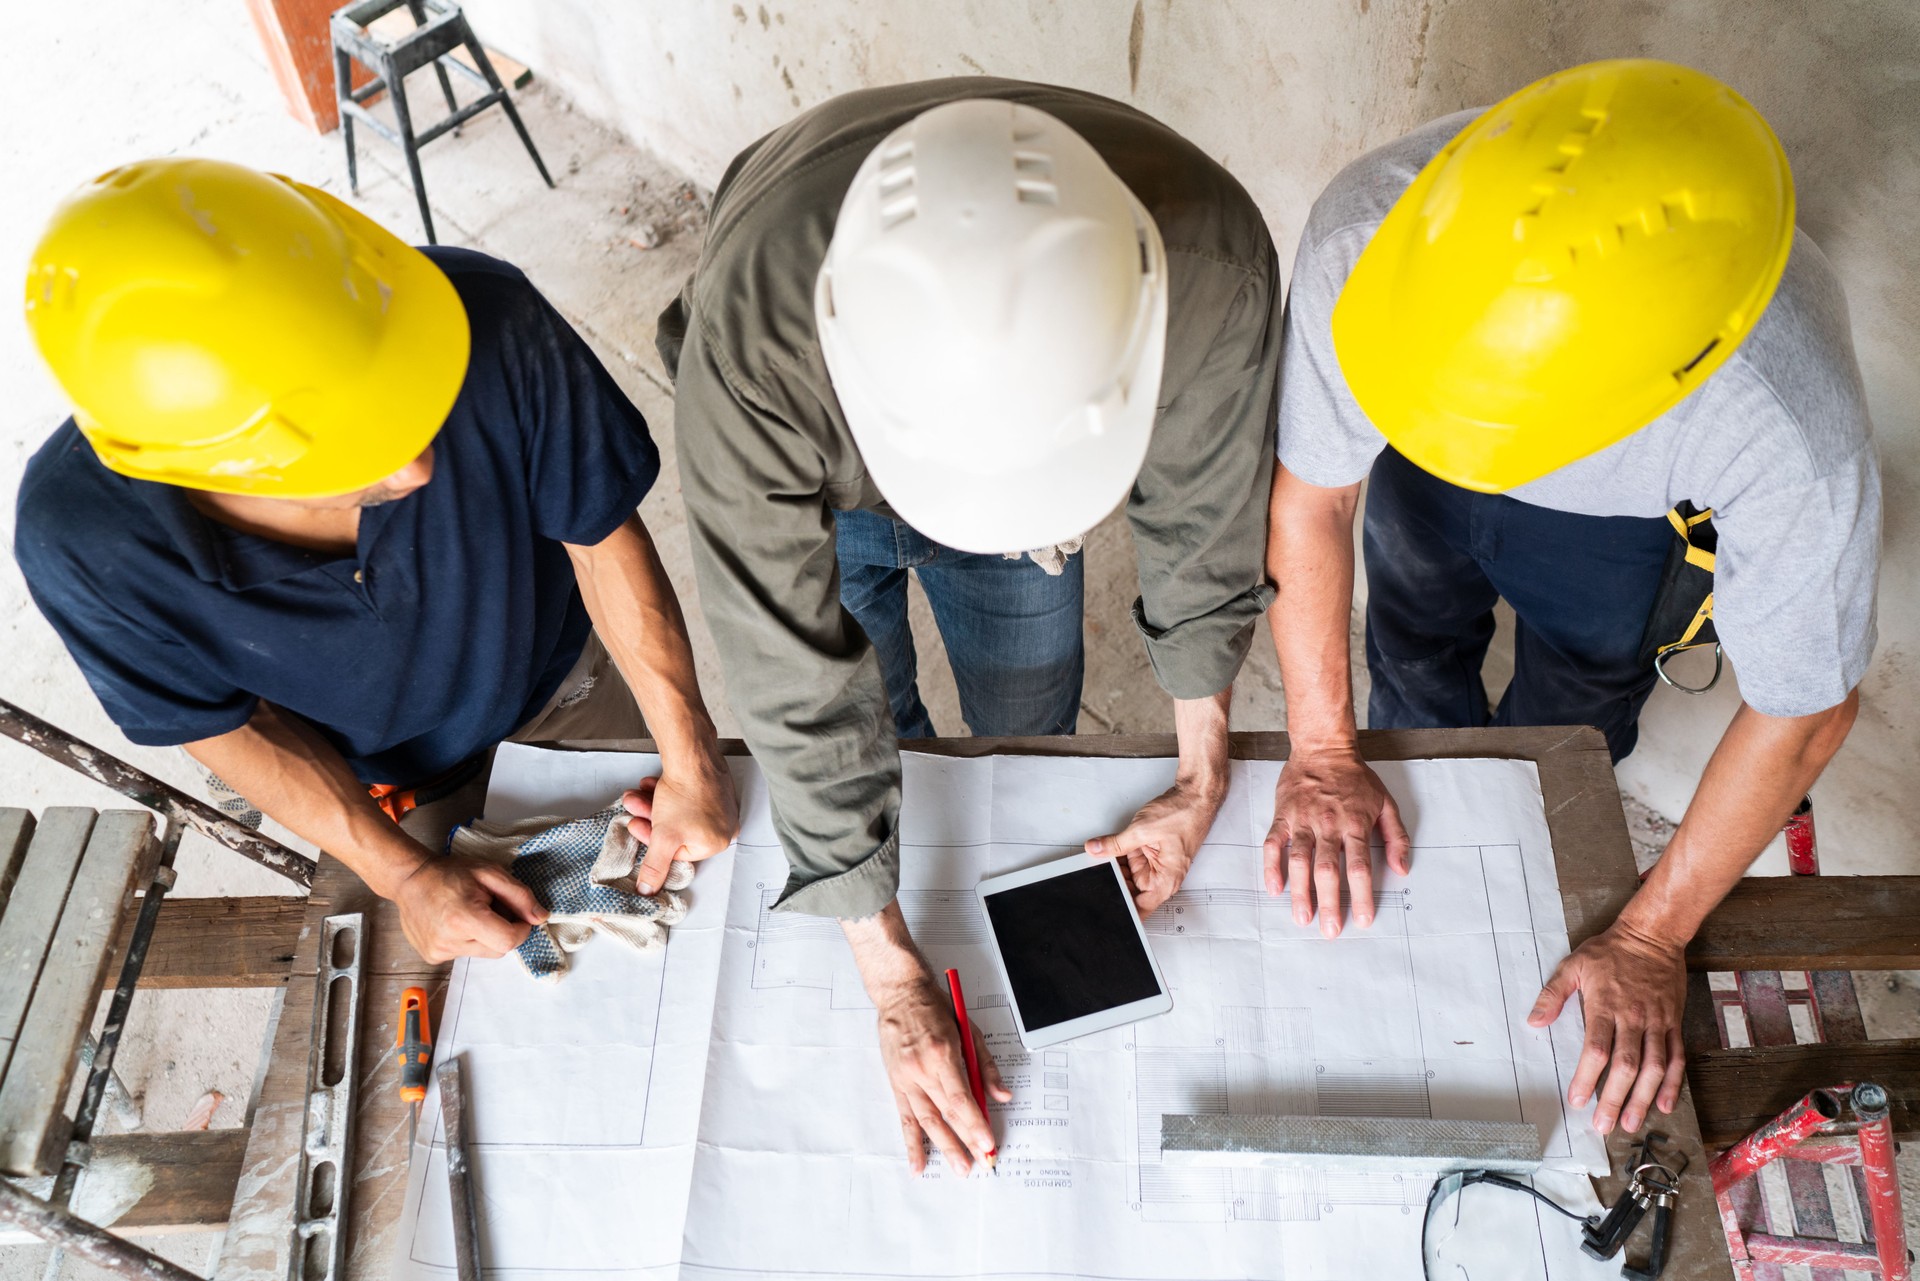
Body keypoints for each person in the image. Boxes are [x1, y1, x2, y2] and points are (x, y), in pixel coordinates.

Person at [658, 80, 1281, 1174]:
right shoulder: (752, 348)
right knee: (866, 698)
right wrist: (892, 975)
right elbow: (790, 673)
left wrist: (1203, 772)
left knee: (1027, 712)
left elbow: (1205, 520)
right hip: (824, 461)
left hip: (1009, 463)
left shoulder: (1211, 269)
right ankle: (889, 811)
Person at [1263, 60, 1878, 1137]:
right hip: (1416, 435)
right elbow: (1315, 506)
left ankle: (1528, 846)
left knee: (1571, 713)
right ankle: (1445, 823)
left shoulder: (1778, 419)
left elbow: (1805, 712)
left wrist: (1650, 935)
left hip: (1625, 527)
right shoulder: (1367, 247)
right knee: (1407, 639)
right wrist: (1322, 753)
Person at [16, 158, 739, 963]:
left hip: (562, 688)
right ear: (215, 472)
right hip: (364, 786)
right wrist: (402, 874)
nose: (419, 470)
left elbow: (599, 537)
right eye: (360, 450)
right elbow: (226, 723)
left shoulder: (483, 318)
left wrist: (689, 753)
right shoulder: (83, 545)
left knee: (685, 913)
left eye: (411, 396)